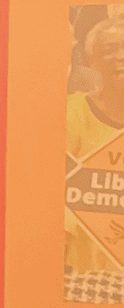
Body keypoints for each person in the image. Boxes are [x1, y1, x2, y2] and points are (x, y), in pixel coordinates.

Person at [65, 16, 124, 296]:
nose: (120, 57)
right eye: (108, 50)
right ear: (91, 61)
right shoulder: (69, 115)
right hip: (82, 282)